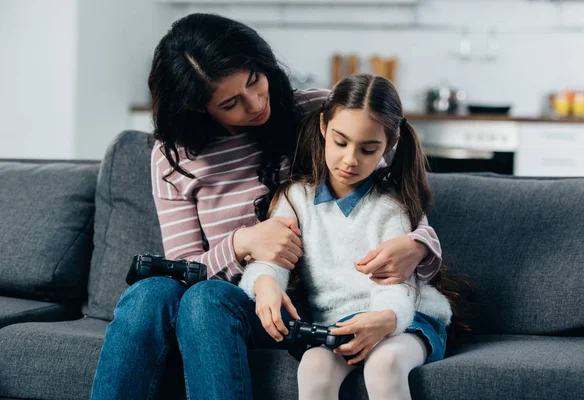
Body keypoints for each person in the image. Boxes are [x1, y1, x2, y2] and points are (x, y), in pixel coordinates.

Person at [90, 13, 443, 400]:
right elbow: (184, 267)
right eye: (231, 102)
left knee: (205, 299)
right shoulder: (174, 158)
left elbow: (390, 197)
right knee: (150, 293)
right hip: (233, 299)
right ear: (197, 109)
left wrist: (420, 244)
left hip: (301, 306)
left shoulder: (316, 113)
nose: (257, 103)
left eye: (255, 80)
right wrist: (243, 243)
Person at [239, 73, 462, 400]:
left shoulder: (391, 207)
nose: (350, 160)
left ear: (389, 146)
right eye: (340, 142)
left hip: (405, 318)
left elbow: (396, 287)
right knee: (314, 365)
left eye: (368, 149)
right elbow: (271, 260)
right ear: (323, 127)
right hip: (338, 324)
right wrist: (265, 284)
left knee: (383, 364)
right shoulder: (294, 199)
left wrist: (385, 321)